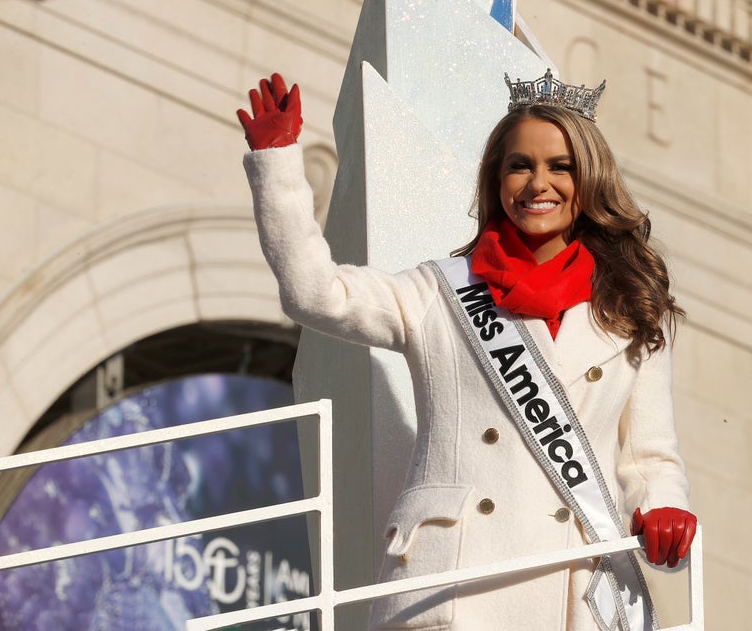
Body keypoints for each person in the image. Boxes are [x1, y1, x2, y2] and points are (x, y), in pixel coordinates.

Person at [237, 72, 697, 631]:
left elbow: (649, 458)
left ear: (589, 179)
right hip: (450, 588)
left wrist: (664, 505)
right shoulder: (440, 292)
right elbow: (315, 294)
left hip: (572, 587)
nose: (538, 183)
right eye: (520, 164)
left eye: (560, 166)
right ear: (497, 179)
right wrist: (278, 165)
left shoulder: (630, 312)